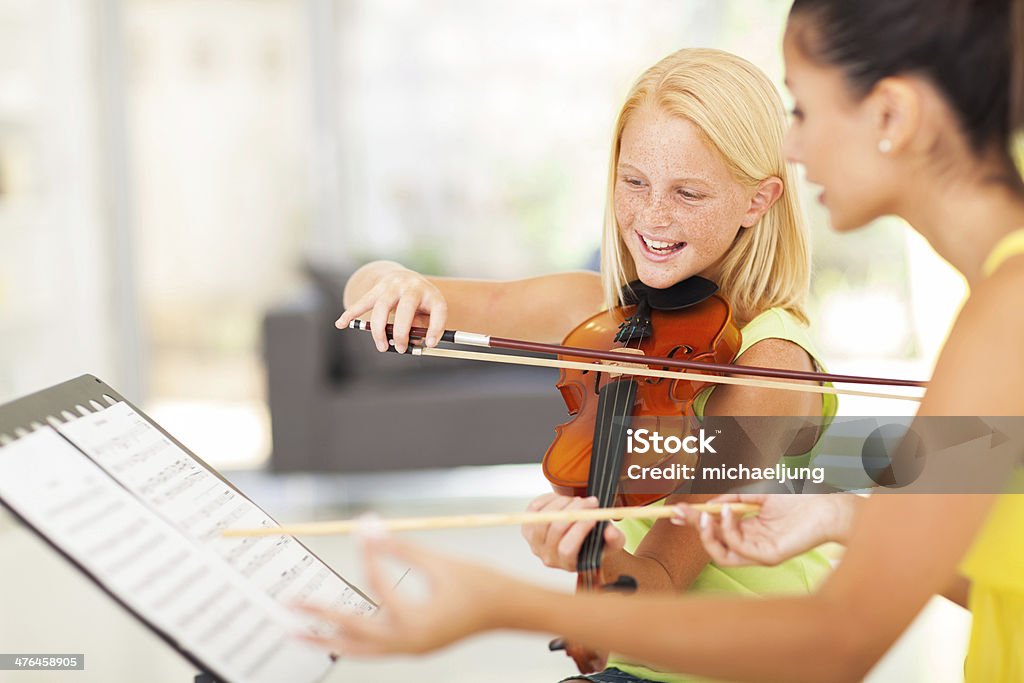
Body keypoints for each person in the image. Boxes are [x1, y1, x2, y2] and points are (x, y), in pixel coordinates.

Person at [303, 1, 1024, 681]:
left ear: (892, 113)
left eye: (801, 107)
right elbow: (990, 558)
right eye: (635, 181)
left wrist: (505, 604)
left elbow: (841, 638)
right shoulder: (994, 304)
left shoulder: (1000, 313)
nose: (793, 144)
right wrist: (842, 510)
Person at [338, 48, 836, 683]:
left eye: (688, 192)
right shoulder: (600, 313)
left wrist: (597, 554)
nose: (653, 216)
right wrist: (395, 284)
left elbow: (656, 582)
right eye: (634, 182)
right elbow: (366, 289)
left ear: (757, 201)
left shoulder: (770, 370)